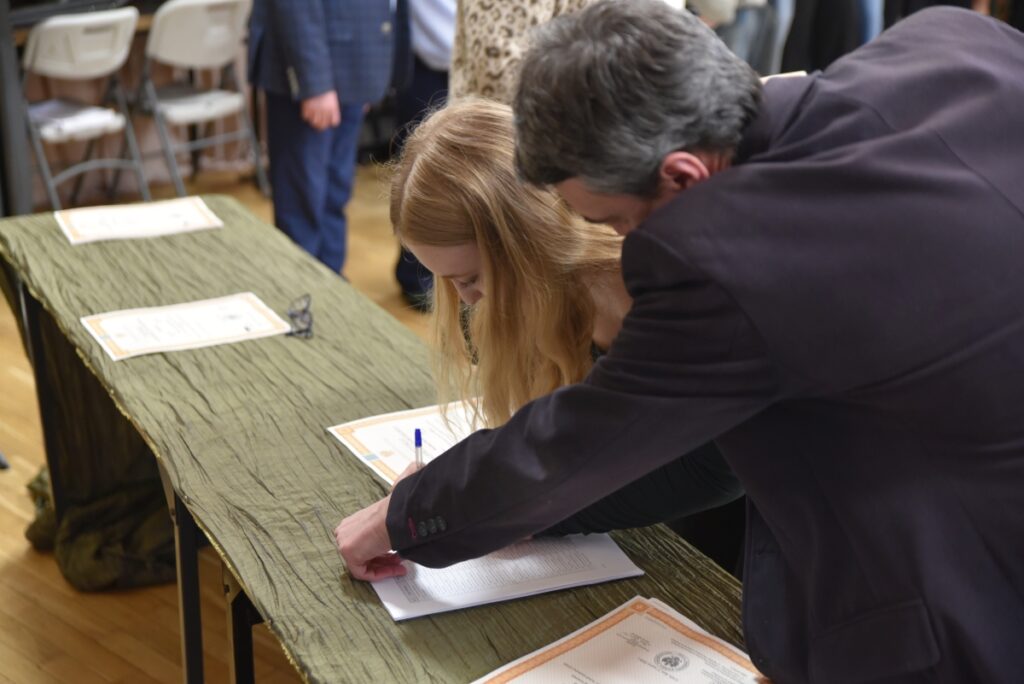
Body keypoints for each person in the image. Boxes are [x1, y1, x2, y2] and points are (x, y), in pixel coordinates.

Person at [337, 2, 1024, 681]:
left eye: (614, 220)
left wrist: (406, 517)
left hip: (951, 599)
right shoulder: (951, 40)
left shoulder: (725, 265)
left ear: (683, 176)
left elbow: (576, 442)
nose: (618, 243)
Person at [390, 98, 745, 571]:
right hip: (634, 530)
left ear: (527, 241)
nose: (468, 299)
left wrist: (527, 508)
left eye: (472, 277)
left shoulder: (643, 277)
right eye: (450, 282)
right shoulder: (526, 296)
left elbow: (715, 471)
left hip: (721, 541)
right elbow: (555, 439)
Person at [248, 0, 394, 273]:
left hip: (351, 65)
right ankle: (302, 289)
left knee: (335, 193)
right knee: (302, 202)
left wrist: (365, 75)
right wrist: (314, 83)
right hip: (311, 72)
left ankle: (330, 283)